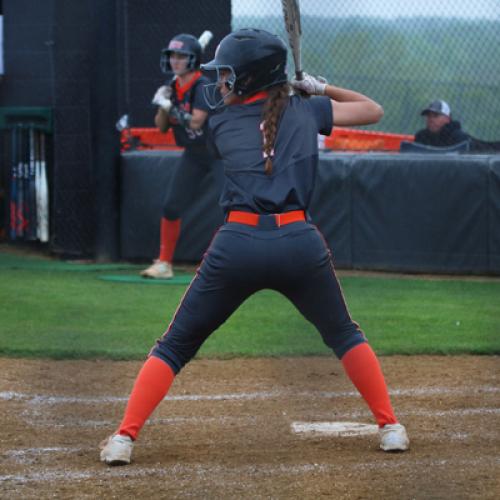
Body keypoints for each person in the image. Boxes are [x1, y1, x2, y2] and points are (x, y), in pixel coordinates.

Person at [100, 28, 409, 465]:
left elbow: (204, 129)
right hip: (299, 242)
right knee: (344, 334)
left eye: (227, 74)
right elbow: (373, 110)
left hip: (238, 244)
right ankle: (391, 428)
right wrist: (319, 88)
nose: (220, 82)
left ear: (248, 78)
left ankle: (123, 438)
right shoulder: (306, 110)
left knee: (173, 346)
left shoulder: (223, 121)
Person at [140, 33, 220, 279]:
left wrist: (170, 107)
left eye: (181, 56)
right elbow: (162, 126)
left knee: (233, 207)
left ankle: (241, 263)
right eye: (172, 55)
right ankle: (164, 263)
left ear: (192, 59)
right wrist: (162, 102)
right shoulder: (173, 88)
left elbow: (196, 122)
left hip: (220, 154)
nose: (175, 61)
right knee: (171, 205)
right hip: (194, 154)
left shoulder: (203, 85)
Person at [414, 99, 500, 152]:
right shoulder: (421, 137)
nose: (431, 119)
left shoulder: (459, 138)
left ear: (447, 119)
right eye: (428, 116)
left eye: (436, 115)